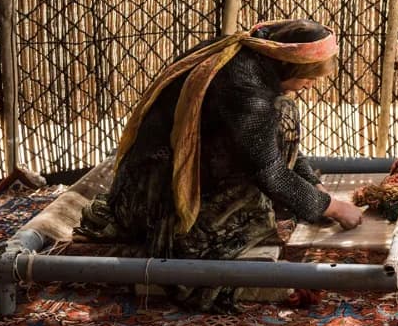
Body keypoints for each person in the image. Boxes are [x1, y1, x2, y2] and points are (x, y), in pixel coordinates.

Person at [77, 18, 363, 310]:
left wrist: (313, 187)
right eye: (309, 77)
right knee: (285, 112)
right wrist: (333, 207)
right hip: (161, 200)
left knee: (283, 112)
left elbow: (267, 147)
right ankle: (202, 235)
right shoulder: (244, 88)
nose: (310, 85)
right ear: (290, 66)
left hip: (149, 182)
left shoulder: (242, 57)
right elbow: (270, 172)